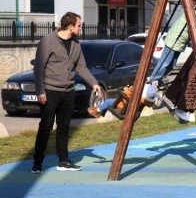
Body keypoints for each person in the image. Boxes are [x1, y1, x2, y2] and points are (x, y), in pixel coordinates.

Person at [32, 12, 102, 173]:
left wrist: (94, 83)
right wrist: (40, 91)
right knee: (46, 128)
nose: (80, 28)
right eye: (79, 25)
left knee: (64, 128)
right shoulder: (48, 41)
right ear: (70, 26)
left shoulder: (76, 44)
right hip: (50, 92)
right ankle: (37, 162)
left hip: (68, 92)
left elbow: (82, 67)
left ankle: (63, 161)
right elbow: (38, 68)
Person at [148, 0, 196, 86]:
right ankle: (152, 79)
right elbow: (193, 28)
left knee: (172, 65)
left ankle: (158, 78)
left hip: (181, 42)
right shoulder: (194, 10)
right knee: (165, 62)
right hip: (175, 38)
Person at [87, 84, 157, 118]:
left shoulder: (135, 96)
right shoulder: (143, 101)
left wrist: (126, 89)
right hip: (128, 108)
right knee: (111, 102)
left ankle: (97, 111)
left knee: (108, 101)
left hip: (123, 107)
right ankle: (101, 112)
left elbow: (126, 93)